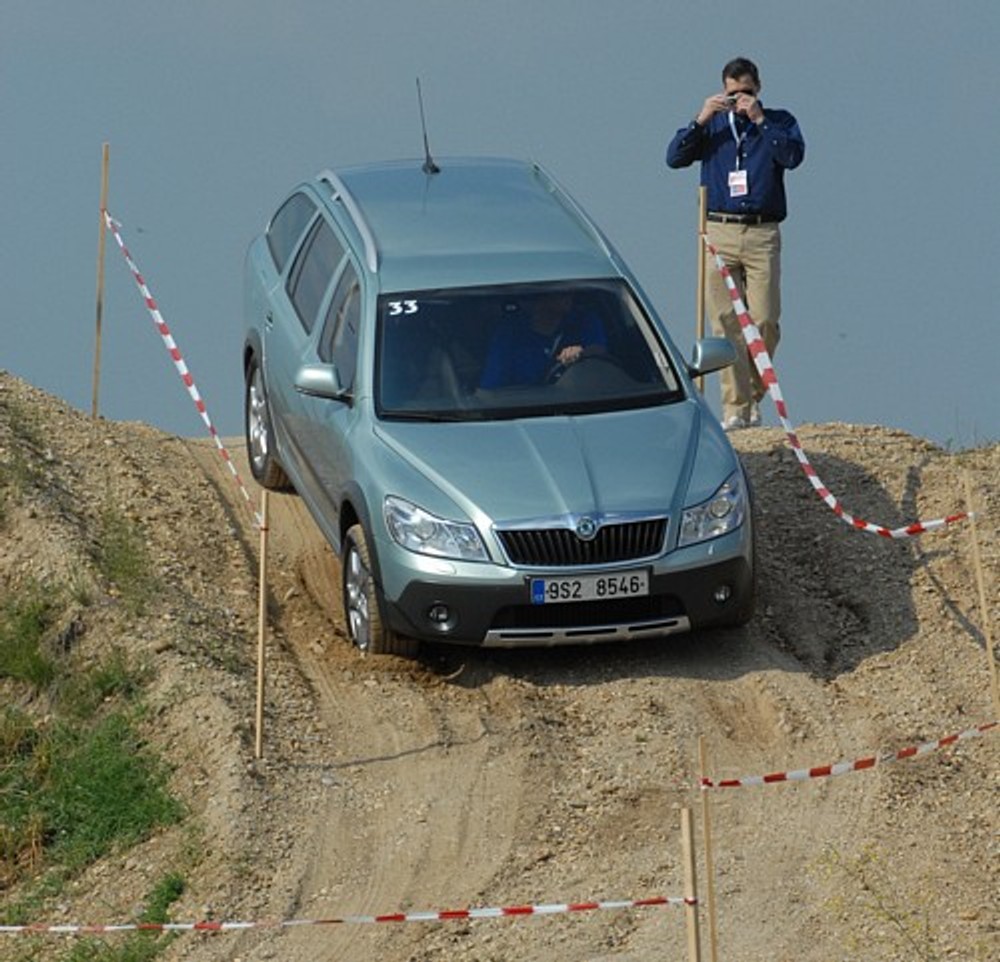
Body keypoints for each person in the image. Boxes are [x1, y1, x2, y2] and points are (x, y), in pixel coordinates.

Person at [666, 56, 805, 430]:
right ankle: (735, 406)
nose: (739, 100)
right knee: (725, 322)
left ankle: (755, 394)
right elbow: (674, 157)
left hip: (762, 231)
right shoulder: (713, 128)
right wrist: (702, 118)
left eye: (745, 92)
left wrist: (760, 119)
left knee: (764, 320)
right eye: (732, 93)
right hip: (719, 230)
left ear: (757, 89)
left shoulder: (779, 121)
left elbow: (792, 156)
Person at [479, 291, 606, 389]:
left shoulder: (584, 322)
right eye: (560, 292)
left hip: (581, 404)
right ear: (539, 298)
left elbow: (600, 354)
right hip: (522, 408)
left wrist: (582, 353)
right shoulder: (510, 333)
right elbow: (492, 387)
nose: (568, 294)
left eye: (569, 291)